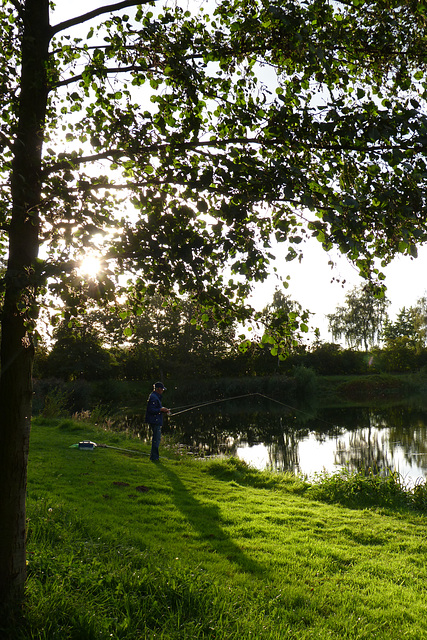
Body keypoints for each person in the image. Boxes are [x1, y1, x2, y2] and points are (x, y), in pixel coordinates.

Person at [145, 382, 170, 461]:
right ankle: (154, 458)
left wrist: (163, 410)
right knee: (156, 439)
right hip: (155, 421)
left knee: (156, 439)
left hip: (156, 420)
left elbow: (156, 408)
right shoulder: (153, 397)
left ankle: (154, 457)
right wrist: (160, 409)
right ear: (158, 389)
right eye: (162, 389)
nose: (162, 391)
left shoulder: (155, 397)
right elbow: (151, 410)